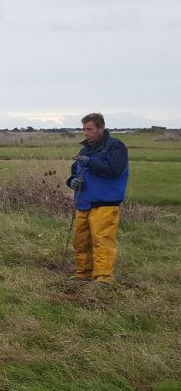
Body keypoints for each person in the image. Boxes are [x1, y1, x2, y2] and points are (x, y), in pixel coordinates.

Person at [66, 112, 129, 284]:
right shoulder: (85, 149)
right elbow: (74, 171)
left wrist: (89, 162)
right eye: (84, 129)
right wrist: (72, 181)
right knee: (81, 241)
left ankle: (103, 278)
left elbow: (114, 169)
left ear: (101, 128)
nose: (86, 133)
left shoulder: (115, 147)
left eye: (90, 129)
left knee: (102, 241)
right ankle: (83, 273)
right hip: (84, 201)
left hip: (105, 202)